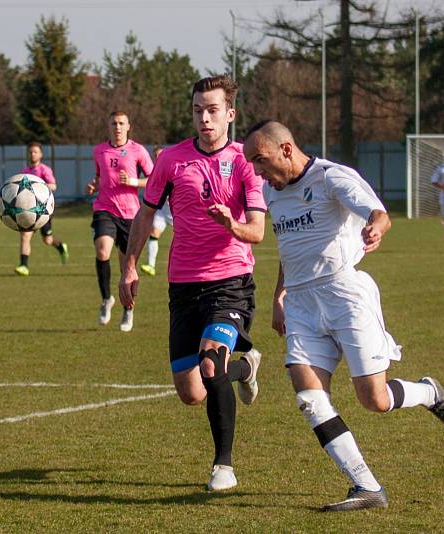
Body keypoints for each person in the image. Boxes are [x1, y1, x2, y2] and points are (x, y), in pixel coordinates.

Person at [244, 120, 444, 511]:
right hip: (300, 303)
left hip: (345, 294)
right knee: (310, 399)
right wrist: (280, 295)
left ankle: (429, 392)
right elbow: (289, 247)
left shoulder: (332, 177)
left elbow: (379, 213)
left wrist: (376, 229)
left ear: (286, 150)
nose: (257, 172)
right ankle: (366, 487)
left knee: (374, 400)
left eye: (260, 161)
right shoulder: (271, 193)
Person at [119, 75, 265, 492]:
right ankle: (246, 365)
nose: (205, 117)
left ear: (230, 114)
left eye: (213, 109)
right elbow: (146, 214)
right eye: (199, 109)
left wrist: (230, 224)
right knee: (191, 392)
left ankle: (223, 465)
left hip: (231, 281)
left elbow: (257, 231)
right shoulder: (171, 160)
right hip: (183, 286)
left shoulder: (243, 162)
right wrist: (129, 267)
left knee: (210, 363)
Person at [87, 111, 154, 331]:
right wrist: (94, 186)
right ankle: (107, 299)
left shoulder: (138, 151)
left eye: (121, 123)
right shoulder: (99, 151)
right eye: (114, 123)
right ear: (109, 126)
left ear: (128, 127)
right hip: (104, 208)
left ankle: (128, 309)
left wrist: (133, 181)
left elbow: (154, 180)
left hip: (130, 214)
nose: (117, 127)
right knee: (102, 251)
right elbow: (99, 177)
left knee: (128, 267)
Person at [14, 142, 69, 276]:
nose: (33, 154)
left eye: (35, 152)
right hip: (27, 210)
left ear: (40, 154)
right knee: (25, 236)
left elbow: (53, 186)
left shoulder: (44, 170)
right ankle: (23, 266)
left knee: (47, 240)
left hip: (42, 210)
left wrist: (37, 187)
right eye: (31, 152)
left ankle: (60, 246)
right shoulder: (25, 172)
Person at [140, 146, 172, 277]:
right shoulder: (152, 172)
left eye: (161, 155)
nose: (159, 158)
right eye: (156, 156)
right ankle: (151, 266)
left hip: (176, 211)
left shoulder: (172, 168)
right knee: (153, 233)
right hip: (162, 210)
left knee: (183, 239)